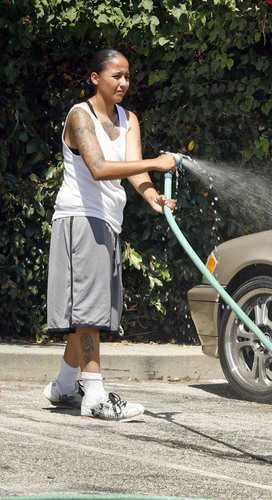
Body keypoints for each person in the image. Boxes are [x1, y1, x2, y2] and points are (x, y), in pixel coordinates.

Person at [44, 48, 177, 421]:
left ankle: (65, 387)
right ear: (95, 78)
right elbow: (100, 168)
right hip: (81, 218)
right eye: (115, 75)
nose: (123, 83)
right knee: (89, 312)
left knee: (92, 309)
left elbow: (133, 172)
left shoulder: (128, 118)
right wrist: (155, 161)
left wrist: (151, 195)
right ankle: (95, 396)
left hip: (108, 221)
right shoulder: (79, 116)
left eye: (127, 76)